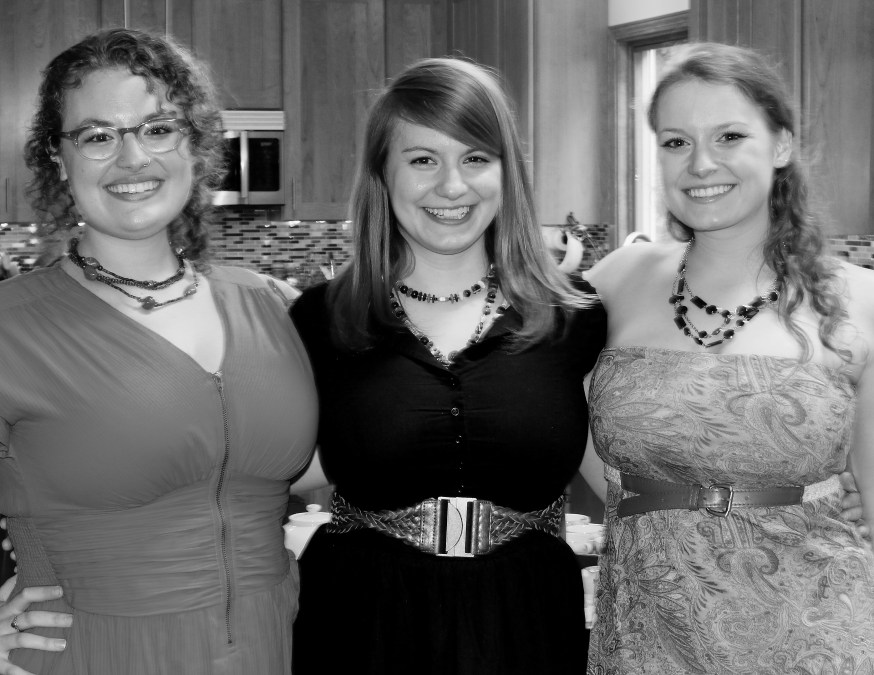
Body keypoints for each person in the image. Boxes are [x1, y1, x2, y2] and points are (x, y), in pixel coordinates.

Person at [0, 28, 317, 674]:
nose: (132, 158)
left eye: (157, 129)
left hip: (268, 650)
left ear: (193, 145)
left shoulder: (274, 306)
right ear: (59, 158)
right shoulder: (12, 326)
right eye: (97, 136)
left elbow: (342, 464)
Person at [288, 57, 607, 674]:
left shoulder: (576, 319)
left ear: (507, 171)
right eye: (422, 160)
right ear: (382, 174)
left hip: (526, 623)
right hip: (362, 624)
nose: (452, 186)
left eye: (476, 158)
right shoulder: (319, 320)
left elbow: (628, 473)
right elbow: (263, 469)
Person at [582, 42, 874, 674]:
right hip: (647, 635)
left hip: (821, 635)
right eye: (676, 142)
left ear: (781, 145)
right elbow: (541, 405)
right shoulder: (615, 281)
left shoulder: (861, 300)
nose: (701, 163)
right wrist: (643, 496)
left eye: (730, 136)